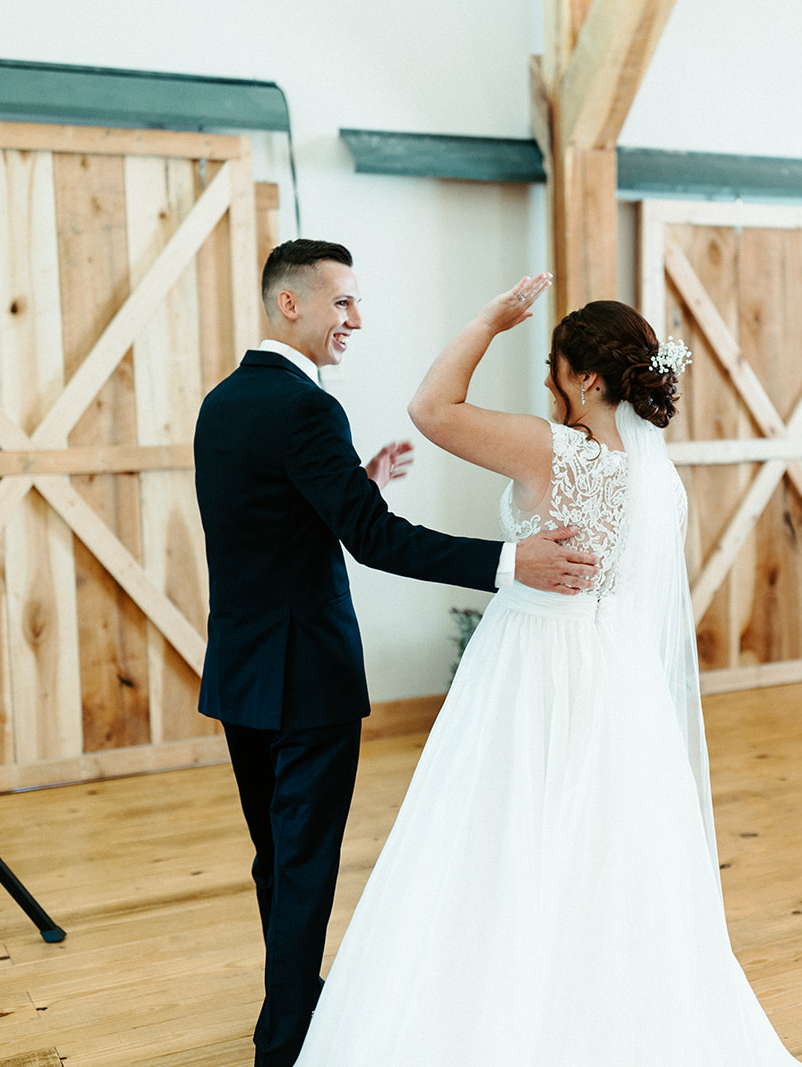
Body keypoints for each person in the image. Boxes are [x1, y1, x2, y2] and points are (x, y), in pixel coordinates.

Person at [291, 275, 802, 1064]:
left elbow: (431, 409)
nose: (545, 379)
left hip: (533, 662)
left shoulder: (555, 449)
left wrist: (488, 318)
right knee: (607, 854)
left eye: (553, 366)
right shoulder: (656, 475)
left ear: (588, 379)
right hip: (617, 675)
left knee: (499, 838)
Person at [193, 240, 599, 1067]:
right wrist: (509, 560)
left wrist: (359, 477)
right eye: (342, 302)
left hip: (240, 670)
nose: (357, 319)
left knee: (278, 858)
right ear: (290, 304)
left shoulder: (222, 402)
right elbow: (371, 540)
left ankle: (293, 1006)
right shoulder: (309, 409)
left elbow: (269, 517)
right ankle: (287, 1044)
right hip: (309, 676)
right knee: (306, 860)